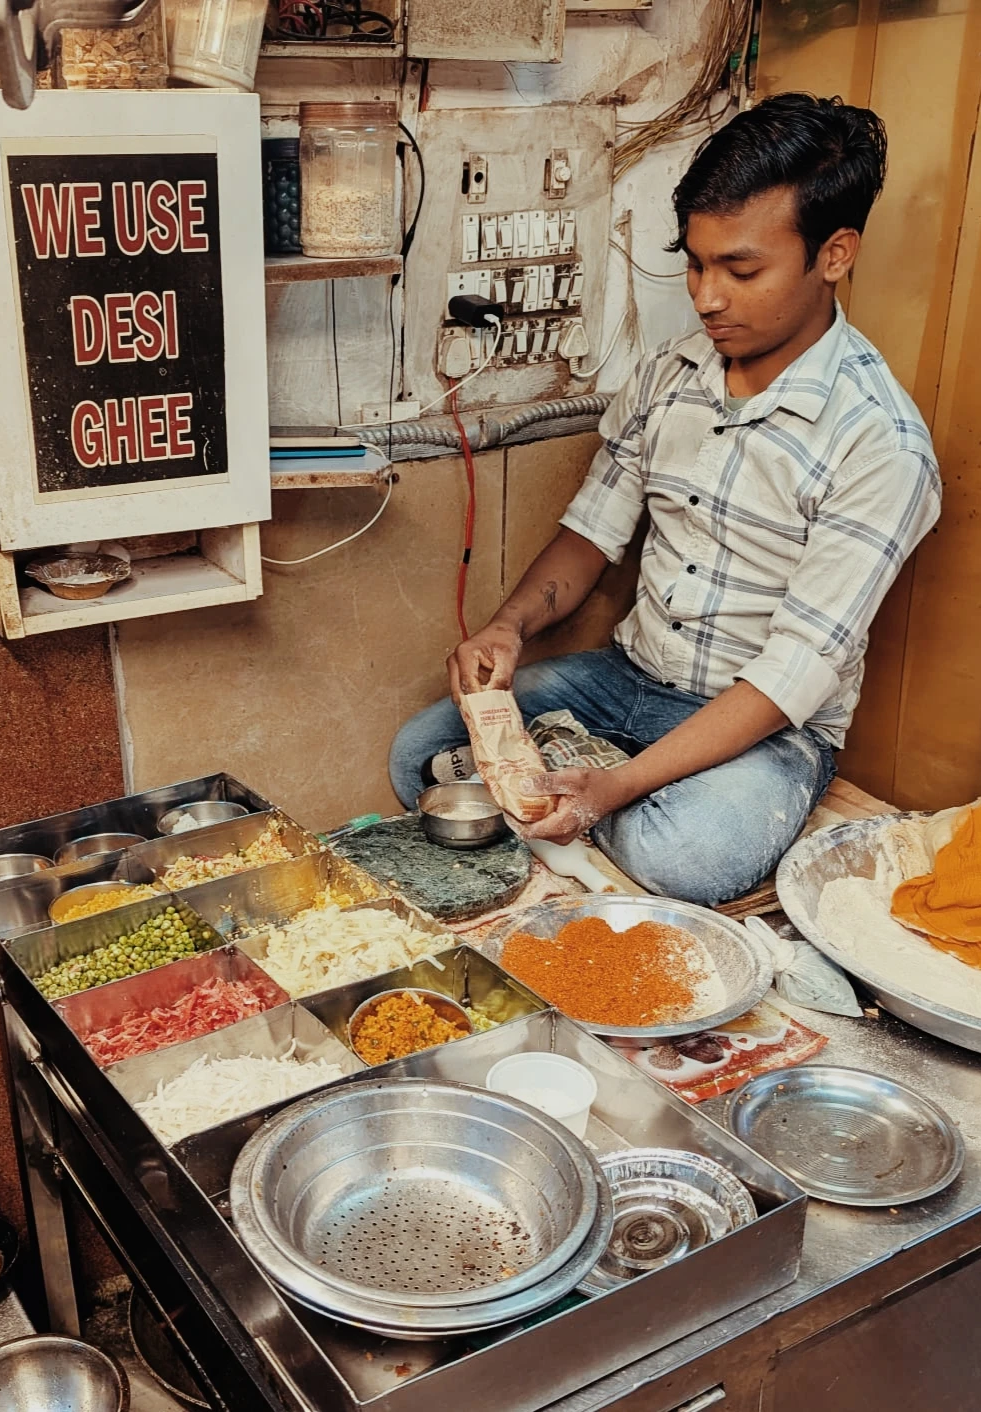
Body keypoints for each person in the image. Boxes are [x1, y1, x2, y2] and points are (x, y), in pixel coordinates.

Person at [390, 92, 940, 907]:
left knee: (682, 857)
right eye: (695, 264)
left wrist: (614, 787)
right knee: (420, 752)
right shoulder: (670, 376)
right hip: (625, 678)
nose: (707, 297)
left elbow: (794, 673)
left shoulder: (880, 442)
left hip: (766, 726)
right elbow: (590, 535)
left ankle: (597, 795)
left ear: (834, 254)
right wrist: (507, 627)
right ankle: (589, 792)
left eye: (741, 271)